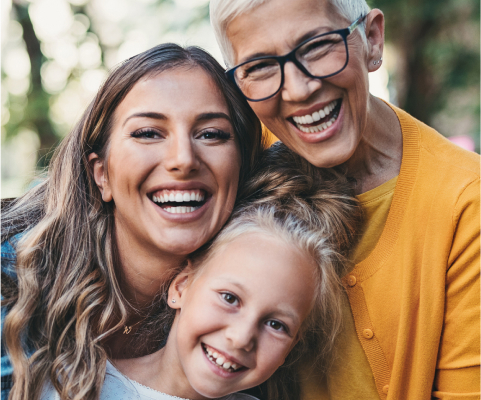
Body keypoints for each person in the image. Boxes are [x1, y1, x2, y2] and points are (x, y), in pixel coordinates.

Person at [209, 0, 481, 399]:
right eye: (261, 67)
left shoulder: (463, 199)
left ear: (371, 38)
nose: (299, 89)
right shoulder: (235, 164)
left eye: (318, 46)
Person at [1, 43, 264, 400]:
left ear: (241, 167)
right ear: (101, 174)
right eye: (148, 133)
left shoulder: (255, 307)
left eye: (211, 134)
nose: (184, 160)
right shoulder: (11, 284)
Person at [40, 142, 361, 400]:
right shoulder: (75, 384)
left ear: (293, 345)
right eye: (230, 298)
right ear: (181, 287)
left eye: (277, 324)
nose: (241, 338)